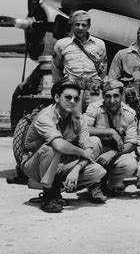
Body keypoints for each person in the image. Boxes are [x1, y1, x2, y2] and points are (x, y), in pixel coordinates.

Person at [20, 78, 107, 213]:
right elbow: (59, 145)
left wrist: (76, 169)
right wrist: (82, 152)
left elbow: (89, 148)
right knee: (52, 147)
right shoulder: (45, 116)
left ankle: (57, 187)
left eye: (76, 99)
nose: (72, 102)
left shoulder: (79, 119)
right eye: (68, 97)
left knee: (97, 167)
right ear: (56, 97)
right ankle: (48, 197)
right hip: (35, 165)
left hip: (61, 163)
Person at [85, 80, 138, 195]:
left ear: (122, 96)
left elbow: (131, 143)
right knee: (92, 141)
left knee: (131, 163)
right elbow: (84, 129)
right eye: (108, 96)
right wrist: (110, 132)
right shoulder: (94, 108)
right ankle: (94, 185)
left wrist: (113, 153)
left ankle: (110, 184)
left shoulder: (129, 114)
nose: (112, 100)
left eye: (116, 96)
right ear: (103, 96)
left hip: (115, 154)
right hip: (97, 154)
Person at [52, 10, 107, 110]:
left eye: (83, 25)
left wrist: (98, 83)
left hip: (94, 90)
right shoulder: (61, 44)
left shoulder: (99, 44)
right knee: (74, 119)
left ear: (89, 26)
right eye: (77, 24)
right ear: (72, 25)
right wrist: (61, 88)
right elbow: (56, 68)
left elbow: (103, 67)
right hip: (72, 89)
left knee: (97, 118)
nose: (80, 28)